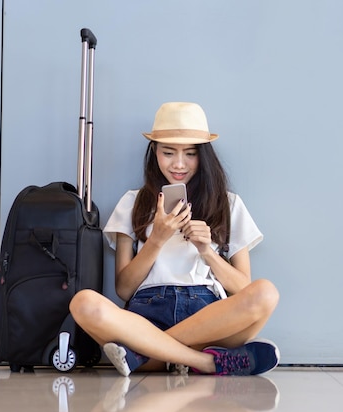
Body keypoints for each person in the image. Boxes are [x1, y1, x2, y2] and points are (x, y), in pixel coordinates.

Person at [69, 102, 280, 376]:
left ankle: (145, 354)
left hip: (207, 318)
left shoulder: (229, 204)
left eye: (190, 154)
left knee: (266, 293)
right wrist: (156, 239)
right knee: (83, 303)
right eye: (168, 152)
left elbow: (243, 287)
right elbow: (123, 288)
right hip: (146, 315)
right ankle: (206, 362)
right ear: (154, 151)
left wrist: (207, 251)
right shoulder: (133, 202)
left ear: (203, 156)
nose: (179, 164)